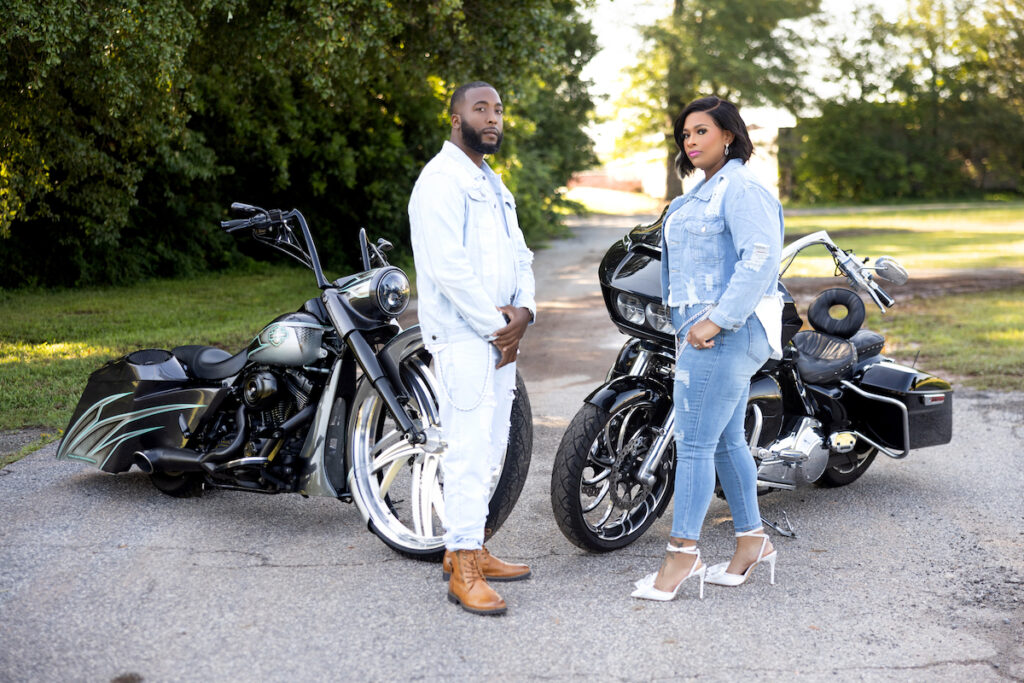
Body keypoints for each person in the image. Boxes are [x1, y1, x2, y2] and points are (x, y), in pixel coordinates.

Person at [631, 96, 784, 601]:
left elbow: (759, 260)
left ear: (729, 136)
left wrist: (715, 321)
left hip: (722, 332)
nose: (691, 141)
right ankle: (752, 543)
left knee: (692, 444)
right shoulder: (702, 193)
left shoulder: (740, 189)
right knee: (724, 442)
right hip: (703, 331)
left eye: (701, 132)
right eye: (686, 135)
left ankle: (682, 556)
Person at [408, 81, 536, 616]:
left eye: (499, 109)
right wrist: (496, 326)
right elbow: (448, 270)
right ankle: (460, 564)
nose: (493, 118)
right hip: (466, 339)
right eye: (480, 108)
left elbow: (521, 254)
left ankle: (473, 546)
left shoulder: (492, 183)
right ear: (455, 118)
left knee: (491, 450)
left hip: (500, 338)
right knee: (465, 451)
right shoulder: (440, 181)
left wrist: (525, 311)